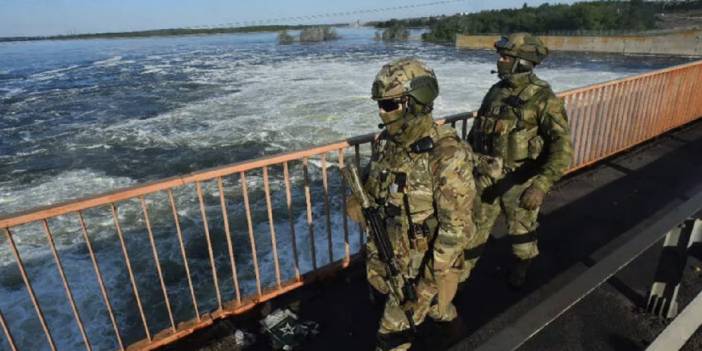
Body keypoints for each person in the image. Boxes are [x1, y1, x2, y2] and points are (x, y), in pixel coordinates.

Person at [346, 58, 475, 351]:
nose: (382, 112)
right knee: (437, 310)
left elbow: (456, 231)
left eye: (389, 105)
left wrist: (425, 287)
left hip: (421, 270)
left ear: (416, 102)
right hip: (387, 253)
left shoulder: (446, 154)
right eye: (380, 104)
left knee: (390, 336)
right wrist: (358, 197)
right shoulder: (389, 143)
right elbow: (374, 182)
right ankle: (454, 330)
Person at [465, 33, 573, 288]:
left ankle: (523, 266)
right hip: (486, 178)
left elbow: (563, 148)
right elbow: (477, 132)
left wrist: (541, 185)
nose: (500, 61)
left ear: (522, 62)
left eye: (505, 57)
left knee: (522, 233)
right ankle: (459, 279)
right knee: (472, 231)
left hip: (520, 181)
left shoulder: (544, 99)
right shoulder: (496, 91)